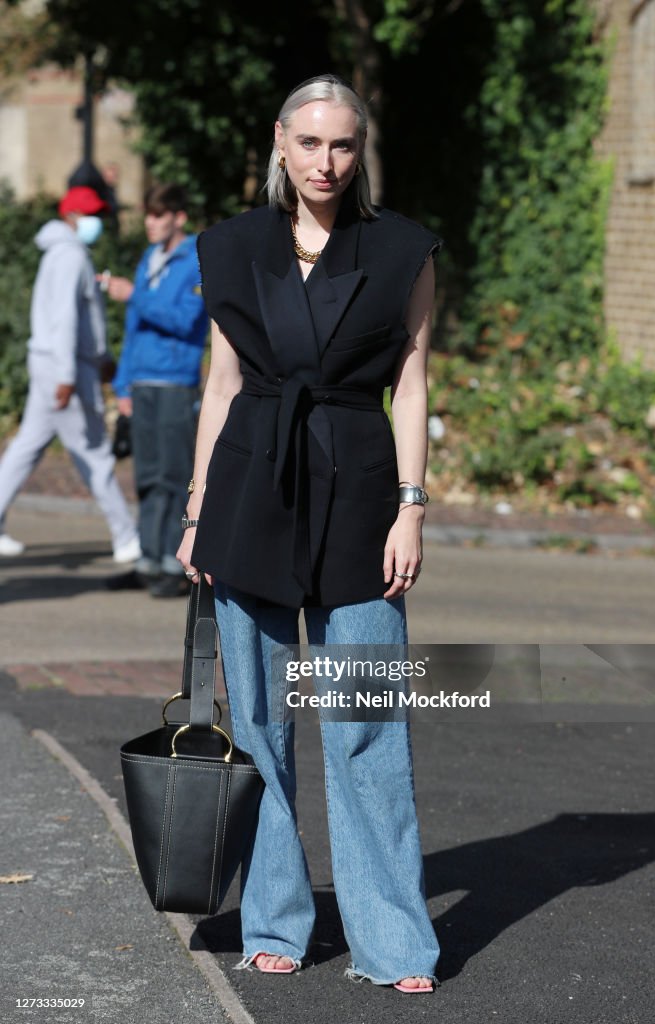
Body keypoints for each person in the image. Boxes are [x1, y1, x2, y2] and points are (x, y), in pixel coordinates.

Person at [177, 75, 440, 992]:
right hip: (251, 487)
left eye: (343, 146)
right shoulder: (232, 247)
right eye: (311, 143)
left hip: (363, 497)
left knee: (364, 721)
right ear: (279, 145)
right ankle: (275, 920)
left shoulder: (402, 248)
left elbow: (408, 384)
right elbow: (219, 386)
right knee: (258, 726)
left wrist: (411, 505)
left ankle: (393, 941)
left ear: (357, 152)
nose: (326, 163)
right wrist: (198, 507)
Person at [0, 186, 140, 563]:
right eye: (90, 214)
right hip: (64, 367)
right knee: (94, 453)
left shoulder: (61, 254)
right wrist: (68, 375)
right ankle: (126, 536)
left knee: (25, 448)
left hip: (54, 363)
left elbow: (72, 319)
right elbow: (65, 321)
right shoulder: (71, 257)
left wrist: (99, 359)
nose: (96, 221)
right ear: (72, 216)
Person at [108, 184, 209, 597]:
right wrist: (122, 382)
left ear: (178, 218)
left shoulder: (196, 260)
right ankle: (148, 559)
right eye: (147, 215)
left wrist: (135, 296)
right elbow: (133, 328)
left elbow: (187, 320)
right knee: (146, 474)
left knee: (172, 475)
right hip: (144, 380)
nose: (150, 223)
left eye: (158, 215)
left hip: (174, 380)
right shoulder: (150, 257)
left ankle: (174, 562)